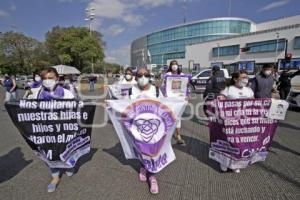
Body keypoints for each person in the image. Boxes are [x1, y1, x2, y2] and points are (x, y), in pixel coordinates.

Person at [27, 67, 75, 192]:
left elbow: (75, 111)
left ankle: (69, 166)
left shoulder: (67, 93)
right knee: (49, 152)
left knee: (66, 149)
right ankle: (55, 176)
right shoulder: (37, 93)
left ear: (57, 78)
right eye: (44, 78)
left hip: (64, 128)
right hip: (46, 129)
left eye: (50, 78)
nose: (47, 81)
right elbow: (29, 110)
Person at [129, 67, 163, 194]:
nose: (143, 77)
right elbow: (125, 106)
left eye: (146, 74)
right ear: (136, 77)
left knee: (153, 151)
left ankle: (152, 177)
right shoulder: (131, 89)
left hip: (155, 127)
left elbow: (166, 105)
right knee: (141, 148)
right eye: (140, 75)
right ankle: (143, 167)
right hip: (138, 127)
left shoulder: (156, 90)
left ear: (149, 76)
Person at [219, 70, 254, 173]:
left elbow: (255, 104)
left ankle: (236, 163)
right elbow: (220, 102)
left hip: (244, 122)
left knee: (240, 143)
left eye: (246, 77)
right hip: (230, 122)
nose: (245, 79)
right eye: (243, 77)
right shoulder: (228, 90)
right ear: (235, 79)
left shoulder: (249, 90)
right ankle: (224, 162)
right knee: (228, 142)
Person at [164, 60, 185, 145]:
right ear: (170, 66)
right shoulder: (167, 75)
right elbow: (163, 86)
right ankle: (166, 136)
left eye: (175, 64)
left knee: (177, 118)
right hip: (169, 100)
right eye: (172, 64)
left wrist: (187, 95)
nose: (174, 66)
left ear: (178, 66)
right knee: (168, 117)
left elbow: (186, 87)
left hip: (179, 100)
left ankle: (178, 136)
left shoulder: (182, 75)